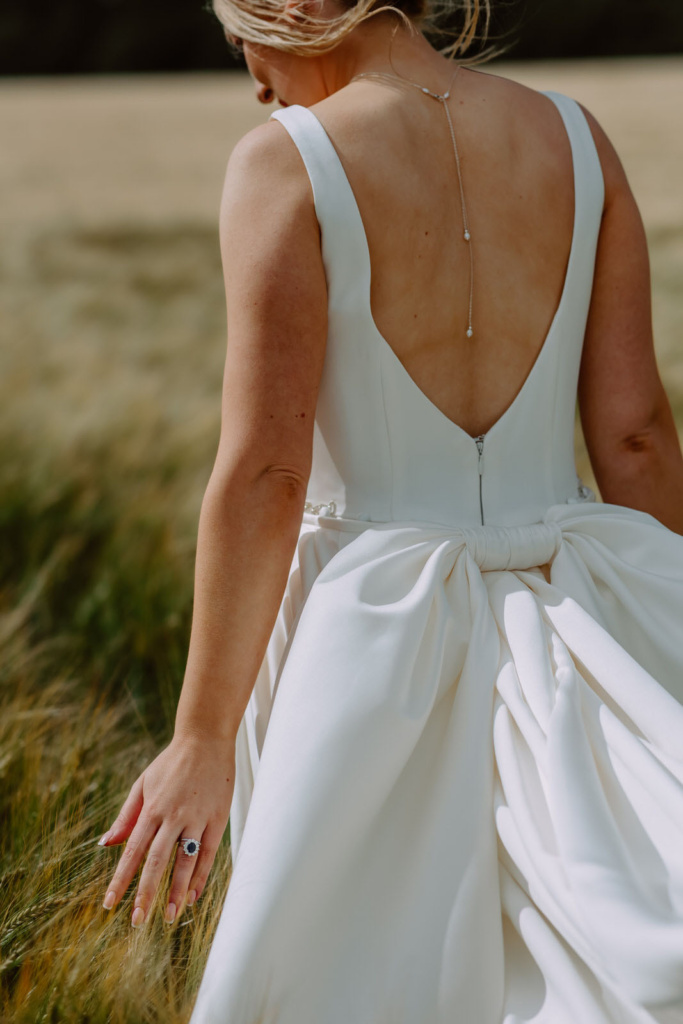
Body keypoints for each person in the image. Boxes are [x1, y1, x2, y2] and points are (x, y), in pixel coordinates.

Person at [97, 0, 683, 1018]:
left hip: (364, 644)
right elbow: (634, 438)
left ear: (291, 11)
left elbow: (267, 473)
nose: (254, 84)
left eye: (245, 46)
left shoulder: (283, 162)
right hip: (582, 612)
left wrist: (200, 736)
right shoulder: (576, 139)